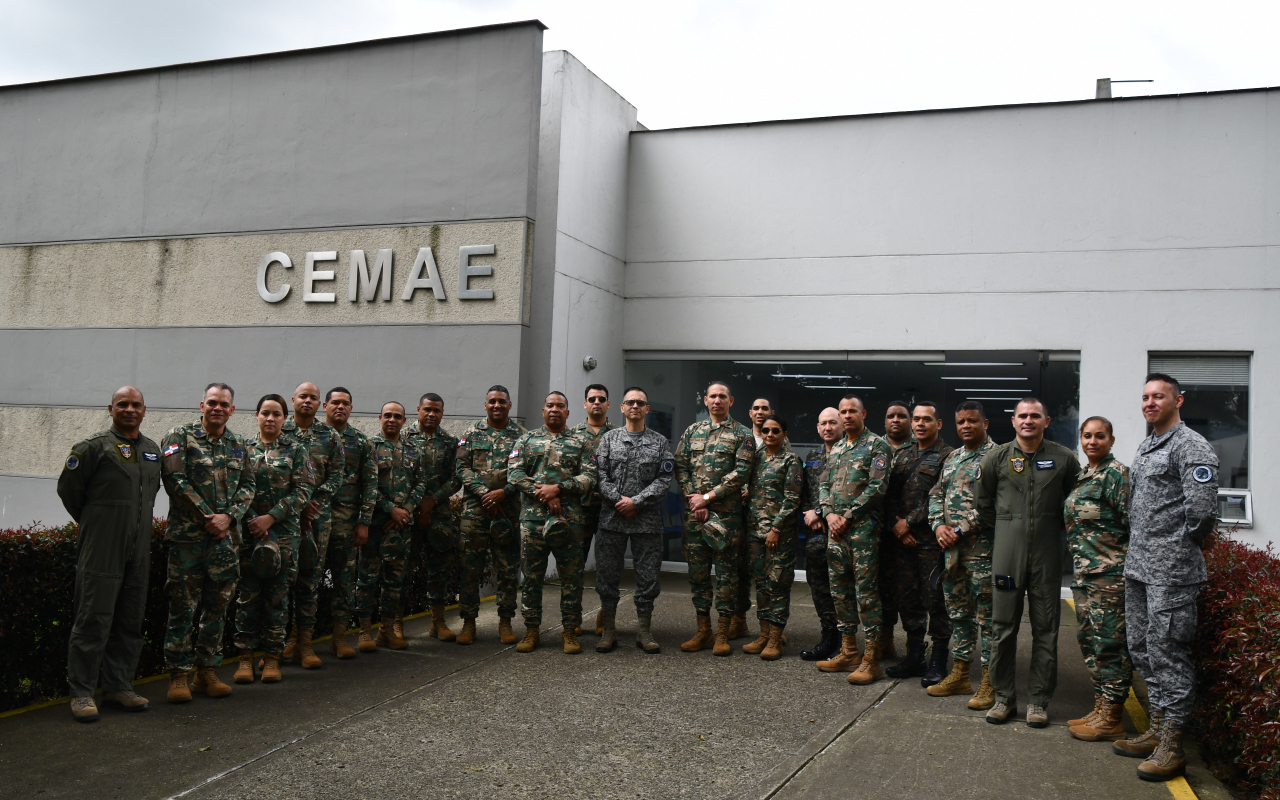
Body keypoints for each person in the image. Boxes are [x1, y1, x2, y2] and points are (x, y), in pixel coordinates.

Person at [1113, 374, 1218, 782]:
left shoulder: (1190, 446)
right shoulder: (1148, 444)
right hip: (1140, 567)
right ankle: (1157, 726)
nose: (1150, 402)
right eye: (1145, 396)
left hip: (1171, 572)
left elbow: (1203, 512)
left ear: (1179, 400)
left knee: (1168, 651)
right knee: (1142, 647)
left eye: (1159, 396)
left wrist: (1177, 548)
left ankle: (1172, 744)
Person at [58, 386, 163, 722]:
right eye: (123, 404)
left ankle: (119, 687)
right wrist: (98, 523)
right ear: (111, 408)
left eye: (136, 404)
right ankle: (82, 693)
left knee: (130, 619)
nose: (130, 409)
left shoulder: (151, 450)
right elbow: (70, 491)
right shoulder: (92, 448)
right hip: (102, 547)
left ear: (145, 410)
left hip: (138, 549)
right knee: (93, 617)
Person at [975, 397, 1079, 727]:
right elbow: (983, 504)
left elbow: (1074, 502)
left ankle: (1038, 701)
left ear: (1047, 421)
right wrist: (1010, 528)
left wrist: (1049, 527)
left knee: (1046, 629)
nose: (1029, 421)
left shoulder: (1064, 459)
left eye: (1036, 415)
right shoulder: (996, 458)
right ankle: (1004, 698)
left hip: (1047, 555)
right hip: (1007, 553)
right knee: (1002, 628)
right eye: (1023, 416)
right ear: (1013, 420)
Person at [159, 383, 255, 703]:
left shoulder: (239, 444)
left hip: (225, 541)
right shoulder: (179, 437)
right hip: (188, 540)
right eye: (211, 402)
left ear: (232, 409)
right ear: (201, 405)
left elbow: (248, 485)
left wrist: (228, 517)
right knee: (182, 608)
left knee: (217, 607)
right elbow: (174, 479)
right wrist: (207, 517)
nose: (217, 408)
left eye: (223, 404)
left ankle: (206, 671)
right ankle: (178, 674)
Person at [233, 395, 315, 685]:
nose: (270, 418)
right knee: (248, 597)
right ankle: (246, 658)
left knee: (278, 598)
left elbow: (303, 490)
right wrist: (254, 519)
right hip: (249, 533)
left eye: (276, 414)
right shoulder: (243, 449)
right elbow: (237, 489)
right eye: (265, 413)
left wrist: (272, 517)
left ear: (284, 419)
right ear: (256, 415)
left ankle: (272, 657)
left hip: (284, 534)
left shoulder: (296, 450)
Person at [508, 392, 597, 654]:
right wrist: (543, 493)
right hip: (533, 522)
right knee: (532, 578)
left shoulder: (581, 442)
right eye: (550, 405)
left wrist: (558, 488)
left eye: (560, 406)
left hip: (570, 522)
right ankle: (531, 630)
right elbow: (514, 473)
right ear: (543, 410)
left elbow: (590, 477)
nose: (555, 409)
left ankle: (570, 630)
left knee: (572, 578)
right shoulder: (526, 439)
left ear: (568, 413)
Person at [1063, 416, 1133, 742]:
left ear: (1111, 440)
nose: (1092, 441)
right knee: (1089, 642)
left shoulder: (1116, 475)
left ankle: (1113, 716)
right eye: (1087, 436)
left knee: (1110, 645)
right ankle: (1100, 707)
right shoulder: (1084, 476)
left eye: (1100, 436)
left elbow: (1134, 524)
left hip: (1110, 576)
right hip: (1086, 574)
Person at [674, 381, 755, 656]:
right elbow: (681, 466)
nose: (717, 400)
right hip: (695, 516)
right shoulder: (692, 431)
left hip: (727, 518)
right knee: (697, 575)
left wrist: (707, 498)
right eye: (713, 396)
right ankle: (703, 631)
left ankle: (722, 633)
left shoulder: (743, 434)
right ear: (705, 401)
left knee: (726, 576)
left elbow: (741, 473)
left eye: (723, 396)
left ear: (731, 401)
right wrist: (692, 497)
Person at [926, 401, 998, 709]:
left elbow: (994, 504)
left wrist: (958, 529)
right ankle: (959, 674)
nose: (966, 426)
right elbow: (936, 495)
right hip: (951, 555)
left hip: (982, 554)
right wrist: (938, 525)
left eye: (972, 421)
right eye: (961, 422)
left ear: (986, 423)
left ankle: (989, 681)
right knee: (959, 616)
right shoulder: (953, 458)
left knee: (988, 620)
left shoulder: (997, 457)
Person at [816, 395, 892, 685]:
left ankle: (871, 660)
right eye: (843, 412)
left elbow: (878, 486)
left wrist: (846, 514)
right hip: (836, 531)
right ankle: (848, 651)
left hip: (862, 532)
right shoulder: (836, 449)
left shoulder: (876, 445)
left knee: (866, 594)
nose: (847, 416)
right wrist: (829, 513)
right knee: (840, 591)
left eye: (852, 412)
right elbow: (824, 483)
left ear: (864, 414)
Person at [593, 386, 674, 653]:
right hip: (612, 519)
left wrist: (636, 502)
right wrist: (620, 501)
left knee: (648, 578)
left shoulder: (660, 442)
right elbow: (600, 476)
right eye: (631, 402)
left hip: (646, 520)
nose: (635, 406)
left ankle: (644, 631)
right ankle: (609, 631)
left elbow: (665, 479)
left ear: (647, 408)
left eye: (641, 402)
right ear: (622, 407)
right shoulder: (608, 440)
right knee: (607, 576)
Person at [885, 402, 953, 686]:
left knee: (935, 599)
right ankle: (915, 655)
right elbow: (886, 493)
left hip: (930, 541)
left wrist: (908, 522)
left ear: (939, 424)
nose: (920, 424)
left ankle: (938, 658)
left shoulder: (948, 456)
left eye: (927, 419)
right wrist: (896, 526)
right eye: (917, 419)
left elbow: (940, 496)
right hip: (903, 541)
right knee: (908, 599)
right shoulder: (901, 455)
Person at [455, 386, 527, 645]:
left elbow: (526, 472)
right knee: (469, 568)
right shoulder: (471, 434)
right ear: (485, 405)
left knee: (508, 569)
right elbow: (461, 468)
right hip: (474, 512)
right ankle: (468, 622)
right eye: (492, 401)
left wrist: (504, 492)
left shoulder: (522, 436)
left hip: (507, 513)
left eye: (502, 402)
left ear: (510, 405)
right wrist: (485, 492)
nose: (497, 405)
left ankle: (505, 622)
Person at [280, 382, 345, 670]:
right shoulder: (278, 429)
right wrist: (296, 503)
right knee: (281, 581)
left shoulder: (329, 435)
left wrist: (313, 500)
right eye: (303, 396)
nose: (308, 401)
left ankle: (303, 642)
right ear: (293, 400)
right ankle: (278, 645)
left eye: (313, 398)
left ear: (320, 404)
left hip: (317, 518)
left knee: (310, 581)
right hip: (283, 519)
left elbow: (336, 475)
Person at [355, 402, 425, 652]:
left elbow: (421, 483)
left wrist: (405, 510)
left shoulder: (414, 449)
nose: (392, 420)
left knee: (395, 582)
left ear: (405, 421)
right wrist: (389, 509)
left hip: (401, 527)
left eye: (397, 416)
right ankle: (365, 631)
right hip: (375, 525)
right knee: (367, 580)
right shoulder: (369, 447)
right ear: (379, 418)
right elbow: (365, 485)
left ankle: (386, 631)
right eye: (388, 415)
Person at [321, 388, 377, 658]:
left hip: (346, 523)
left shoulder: (362, 443)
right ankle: (298, 638)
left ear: (351, 408)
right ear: (325, 406)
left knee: (344, 582)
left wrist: (364, 522)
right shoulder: (312, 438)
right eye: (335, 402)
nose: (340, 407)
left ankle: (340, 637)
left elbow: (370, 485)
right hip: (314, 521)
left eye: (345, 403)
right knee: (304, 582)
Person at [742, 416, 802, 661]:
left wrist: (776, 528)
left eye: (775, 430)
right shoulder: (756, 458)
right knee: (762, 584)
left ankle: (776, 638)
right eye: (765, 430)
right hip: (755, 531)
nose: (769, 434)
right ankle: (764, 634)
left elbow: (792, 499)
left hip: (779, 534)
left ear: (784, 433)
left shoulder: (791, 460)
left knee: (778, 584)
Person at [403, 392, 462, 642]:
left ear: (442, 413)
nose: (431, 414)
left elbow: (457, 477)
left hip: (438, 514)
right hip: (406, 513)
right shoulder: (403, 438)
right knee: (402, 568)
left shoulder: (450, 442)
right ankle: (395, 623)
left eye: (436, 410)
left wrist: (431, 501)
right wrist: (416, 506)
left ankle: (438, 621)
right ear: (418, 410)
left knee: (439, 569)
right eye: (427, 409)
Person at [799, 407, 844, 661]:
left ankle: (846, 640)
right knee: (819, 588)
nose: (828, 427)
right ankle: (828, 637)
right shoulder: (813, 456)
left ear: (842, 426)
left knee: (843, 589)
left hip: (841, 533)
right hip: (816, 535)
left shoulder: (850, 455)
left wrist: (819, 511)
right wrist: (808, 512)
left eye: (833, 423)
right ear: (817, 428)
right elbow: (805, 490)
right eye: (823, 423)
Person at [570, 383, 613, 636]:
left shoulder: (619, 434)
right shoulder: (572, 435)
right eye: (591, 399)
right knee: (574, 565)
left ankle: (604, 617)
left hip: (609, 510)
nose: (596, 402)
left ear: (609, 404)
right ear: (584, 404)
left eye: (601, 398)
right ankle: (573, 617)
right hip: (579, 509)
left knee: (608, 567)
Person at [878, 400, 914, 658]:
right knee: (882, 588)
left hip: (912, 533)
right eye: (891, 416)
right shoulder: (874, 446)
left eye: (902, 416)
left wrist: (908, 523)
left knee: (912, 592)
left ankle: (915, 646)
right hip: (878, 531)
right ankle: (885, 639)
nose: (896, 420)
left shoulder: (922, 447)